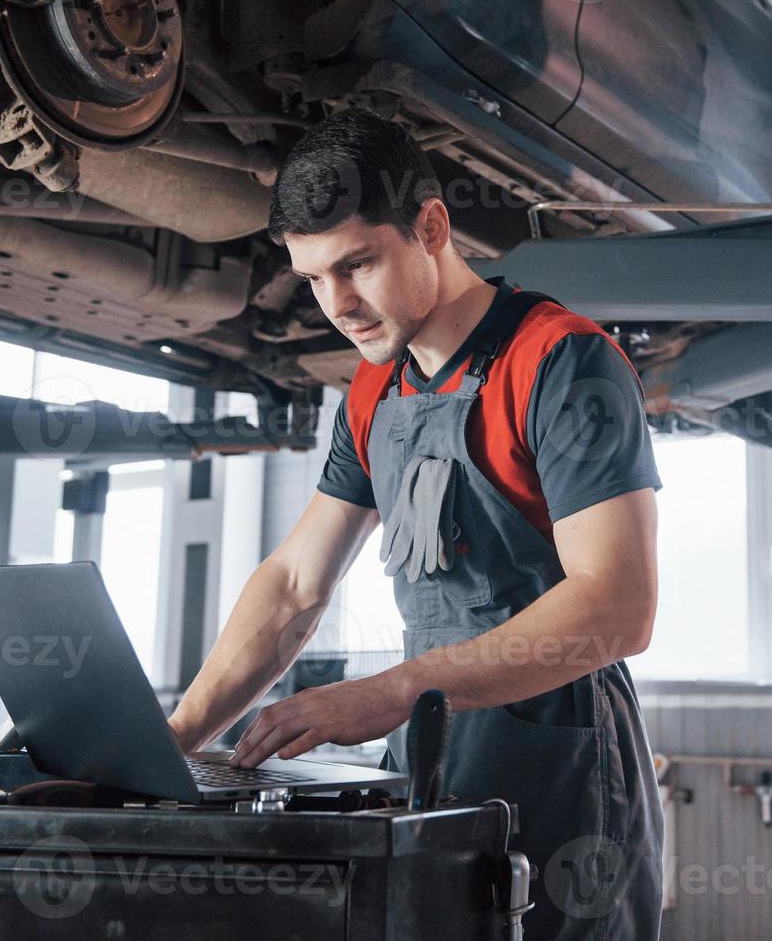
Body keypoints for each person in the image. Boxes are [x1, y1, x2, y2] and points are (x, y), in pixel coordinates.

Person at [168, 109, 665, 938]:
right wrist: (177, 738)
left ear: (431, 226)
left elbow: (618, 610)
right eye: (315, 278)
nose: (339, 305)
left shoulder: (561, 363)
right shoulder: (371, 393)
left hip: (564, 767)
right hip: (432, 761)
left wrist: (398, 689)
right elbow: (296, 583)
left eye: (357, 265)